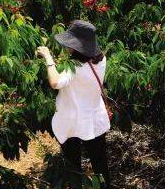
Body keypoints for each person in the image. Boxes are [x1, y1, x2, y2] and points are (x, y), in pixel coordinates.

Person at [36, 20, 111, 188]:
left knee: (73, 165)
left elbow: (55, 82)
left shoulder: (74, 67)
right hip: (94, 118)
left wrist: (48, 58)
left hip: (72, 121)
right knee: (100, 164)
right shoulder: (102, 59)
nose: (67, 47)